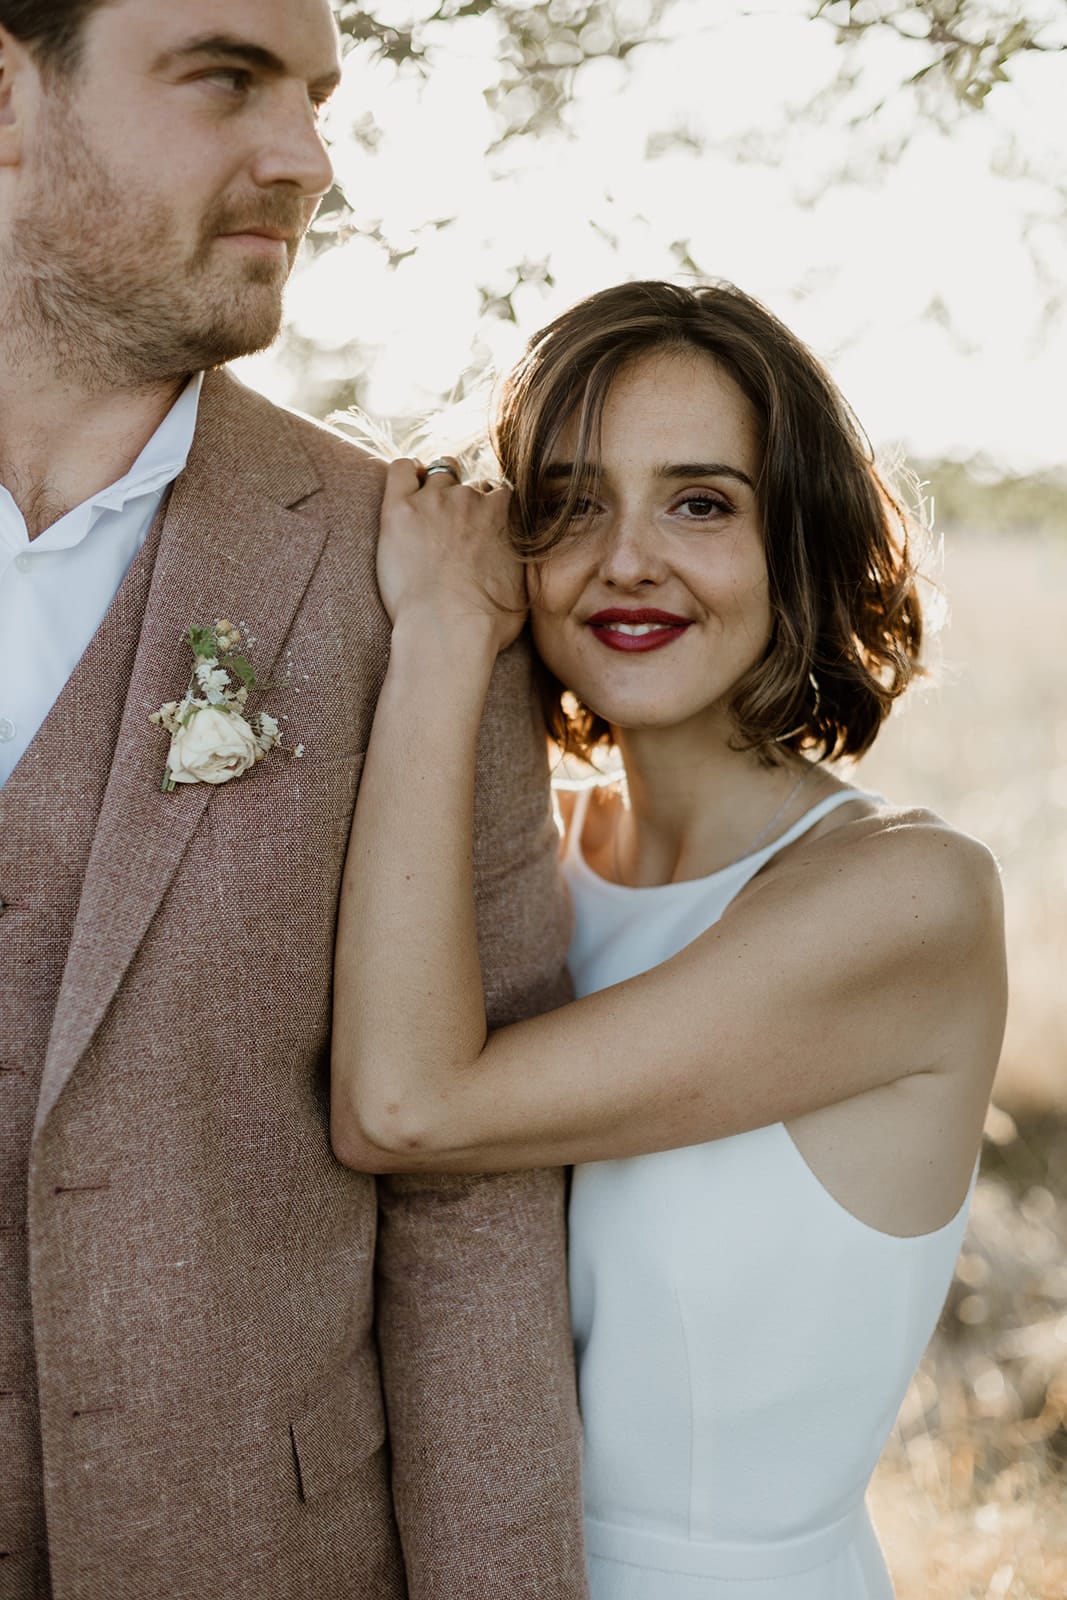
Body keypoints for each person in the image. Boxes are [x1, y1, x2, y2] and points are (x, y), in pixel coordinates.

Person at [0, 2, 587, 1596]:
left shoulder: (416, 578)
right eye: (227, 79)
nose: (308, 157)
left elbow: (470, 1201)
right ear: (7, 94)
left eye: (320, 95)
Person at [330, 279, 1009, 1599]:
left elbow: (406, 1109)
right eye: (573, 503)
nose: (625, 559)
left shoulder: (908, 896)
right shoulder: (526, 864)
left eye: (701, 503)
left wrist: (444, 635)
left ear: (797, 540)